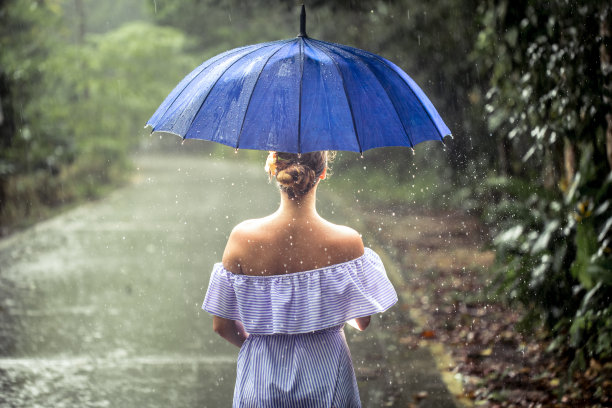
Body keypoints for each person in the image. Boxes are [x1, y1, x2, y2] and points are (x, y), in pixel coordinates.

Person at [202, 151, 397, 407]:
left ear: (274, 170)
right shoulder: (347, 241)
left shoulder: (243, 238)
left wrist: (260, 346)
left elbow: (222, 326)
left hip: (261, 380)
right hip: (327, 378)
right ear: (323, 172)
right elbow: (361, 322)